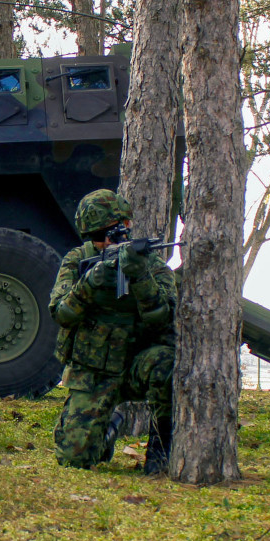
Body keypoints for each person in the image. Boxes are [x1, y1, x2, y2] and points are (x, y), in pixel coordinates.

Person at [48, 189, 176, 475]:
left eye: (113, 233)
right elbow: (61, 313)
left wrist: (140, 277)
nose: (106, 242)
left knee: (167, 363)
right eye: (98, 236)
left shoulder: (151, 265)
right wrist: (89, 284)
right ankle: (108, 429)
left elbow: (163, 319)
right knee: (73, 459)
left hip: (135, 367)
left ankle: (161, 448)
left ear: (127, 227)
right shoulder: (78, 260)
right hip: (93, 372)